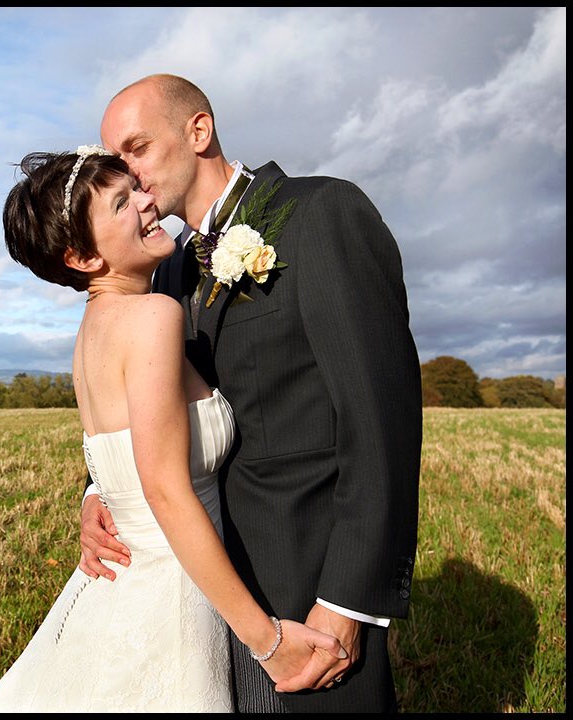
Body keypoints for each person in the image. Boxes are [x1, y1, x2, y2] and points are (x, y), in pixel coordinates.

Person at [81, 74, 422, 712]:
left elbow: (382, 423)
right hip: (206, 587)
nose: (126, 175)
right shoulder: (171, 268)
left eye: (137, 149)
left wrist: (347, 599)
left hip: (308, 587)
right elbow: (149, 401)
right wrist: (101, 490)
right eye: (114, 161)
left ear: (199, 131)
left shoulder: (322, 214)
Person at [0, 147, 346, 713]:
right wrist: (269, 644)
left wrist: (94, 493)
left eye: (137, 188)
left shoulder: (92, 333)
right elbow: (164, 491)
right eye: (123, 203)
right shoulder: (152, 317)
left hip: (122, 583)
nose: (148, 202)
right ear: (81, 257)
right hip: (170, 591)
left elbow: (117, 460)